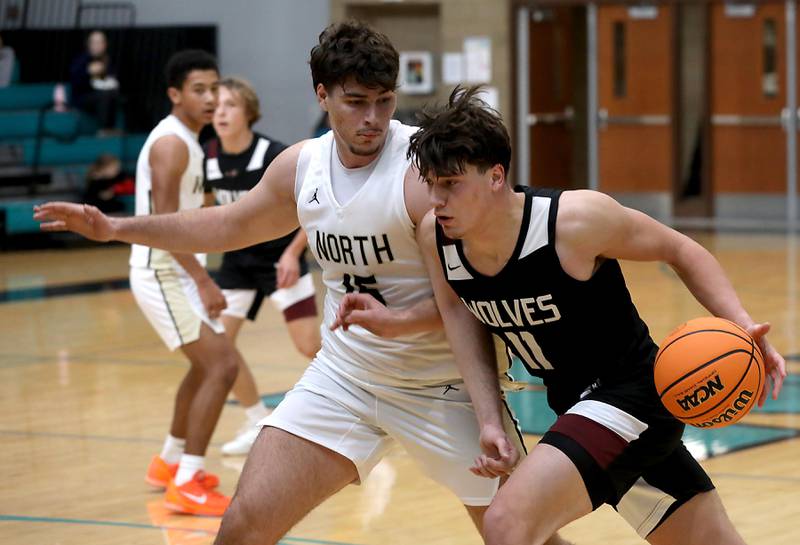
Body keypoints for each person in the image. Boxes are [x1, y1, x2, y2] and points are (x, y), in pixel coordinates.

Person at [34, 22, 570, 545]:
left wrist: (486, 416)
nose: (374, 118)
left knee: (520, 537)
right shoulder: (302, 166)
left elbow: (461, 308)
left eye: (385, 101)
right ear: (323, 95)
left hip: (440, 386)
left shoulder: (419, 174)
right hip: (346, 378)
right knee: (244, 526)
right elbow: (228, 225)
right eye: (357, 101)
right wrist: (115, 227)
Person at [406, 86, 787, 545]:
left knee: (507, 522)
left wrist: (743, 325)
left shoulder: (573, 222)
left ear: (495, 176)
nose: (437, 199)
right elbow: (459, 314)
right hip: (573, 404)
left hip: (633, 394)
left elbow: (680, 248)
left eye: (451, 184)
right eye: (431, 184)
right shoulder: (438, 238)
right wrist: (489, 419)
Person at [130, 49, 236, 516]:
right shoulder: (172, 144)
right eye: (199, 90)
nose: (211, 98)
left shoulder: (190, 139)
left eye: (215, 88)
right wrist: (203, 280)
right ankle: (189, 480)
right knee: (222, 366)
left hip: (175, 270)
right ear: (175, 94)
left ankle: (168, 464)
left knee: (203, 366)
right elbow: (163, 224)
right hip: (162, 270)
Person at [203, 76, 320, 455]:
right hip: (238, 261)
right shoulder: (208, 155)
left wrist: (293, 253)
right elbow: (210, 209)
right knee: (218, 345)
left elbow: (312, 207)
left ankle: (363, 405)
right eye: (216, 106)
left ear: (248, 113)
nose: (220, 112)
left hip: (279, 258)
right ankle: (255, 418)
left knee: (309, 346)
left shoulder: (274, 154)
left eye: (230, 105)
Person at [69, 30, 120, 132]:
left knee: (112, 94)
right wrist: (88, 72)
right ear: (89, 44)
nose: (97, 45)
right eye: (94, 42)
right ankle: (104, 130)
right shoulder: (82, 60)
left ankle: (111, 129)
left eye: (100, 42)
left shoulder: (108, 60)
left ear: (105, 44)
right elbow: (75, 84)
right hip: (83, 98)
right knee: (104, 96)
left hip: (104, 95)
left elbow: (114, 80)